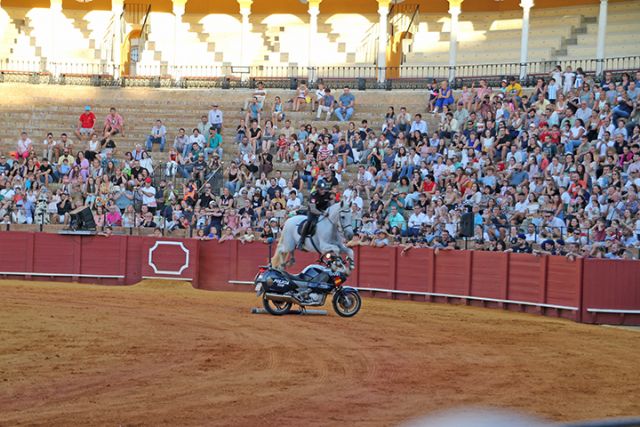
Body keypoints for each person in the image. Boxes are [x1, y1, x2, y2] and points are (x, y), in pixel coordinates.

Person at [297, 180, 332, 249]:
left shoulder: (328, 194)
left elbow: (332, 202)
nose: (323, 191)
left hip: (325, 211)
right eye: (321, 189)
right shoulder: (313, 195)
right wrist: (322, 213)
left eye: (324, 189)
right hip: (314, 213)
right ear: (317, 189)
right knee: (309, 222)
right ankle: (301, 240)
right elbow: (313, 209)